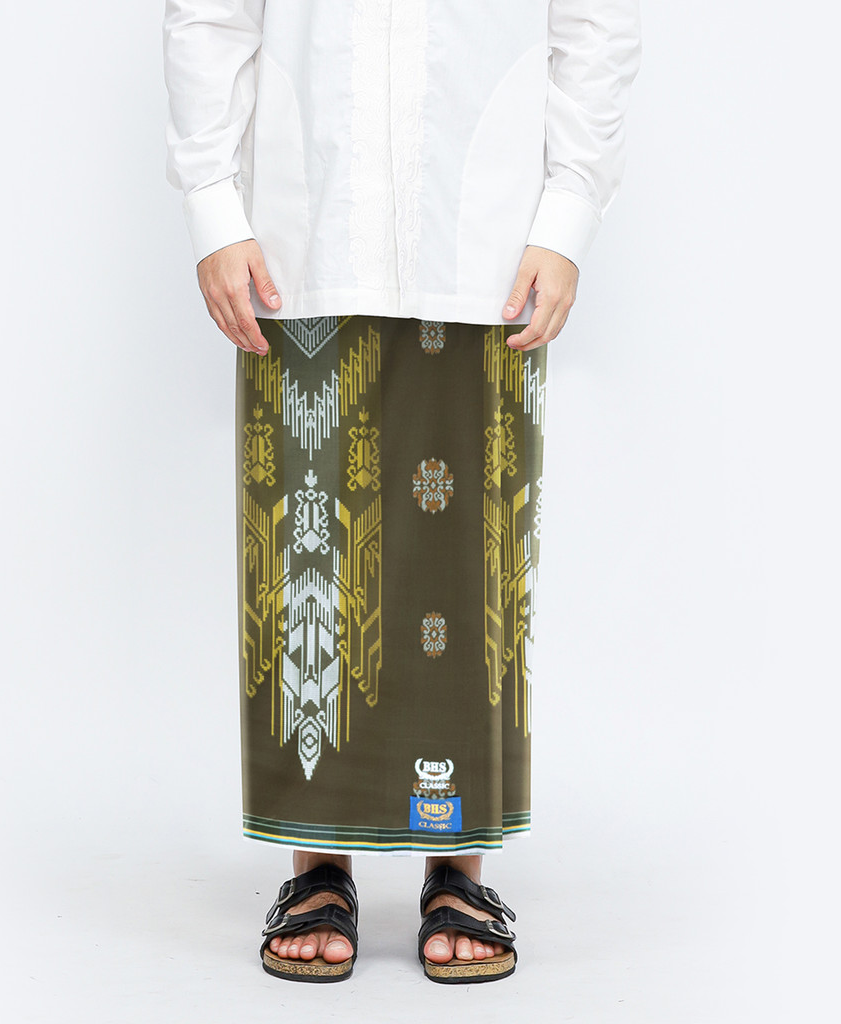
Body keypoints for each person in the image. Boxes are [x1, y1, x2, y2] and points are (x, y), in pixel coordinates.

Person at [161, 0, 642, 984]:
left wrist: (567, 212)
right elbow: (209, 13)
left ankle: (459, 865)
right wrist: (213, 200)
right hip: (303, 230)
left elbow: (596, 18)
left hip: (486, 232)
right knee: (309, 553)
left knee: (462, 569)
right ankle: (316, 863)